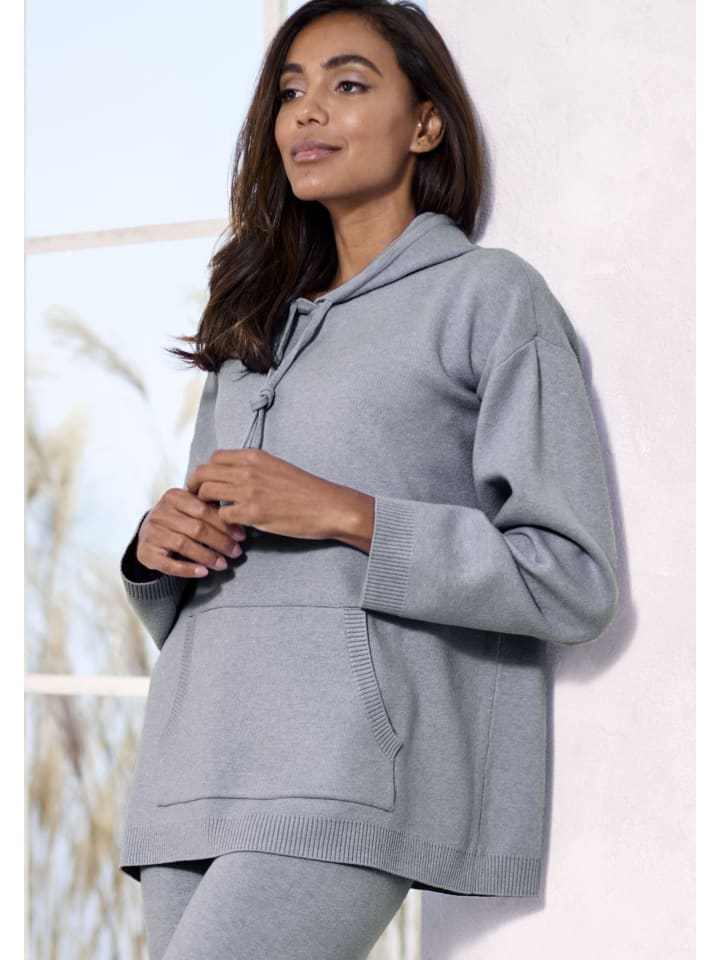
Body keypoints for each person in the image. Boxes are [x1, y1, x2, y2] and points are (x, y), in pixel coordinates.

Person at [117, 1, 619, 957]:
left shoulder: (488, 295)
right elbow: (213, 583)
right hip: (194, 761)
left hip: (348, 769)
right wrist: (157, 551)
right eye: (290, 92)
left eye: (347, 84)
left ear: (425, 124)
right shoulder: (251, 322)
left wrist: (346, 514)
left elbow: (570, 579)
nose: (307, 112)